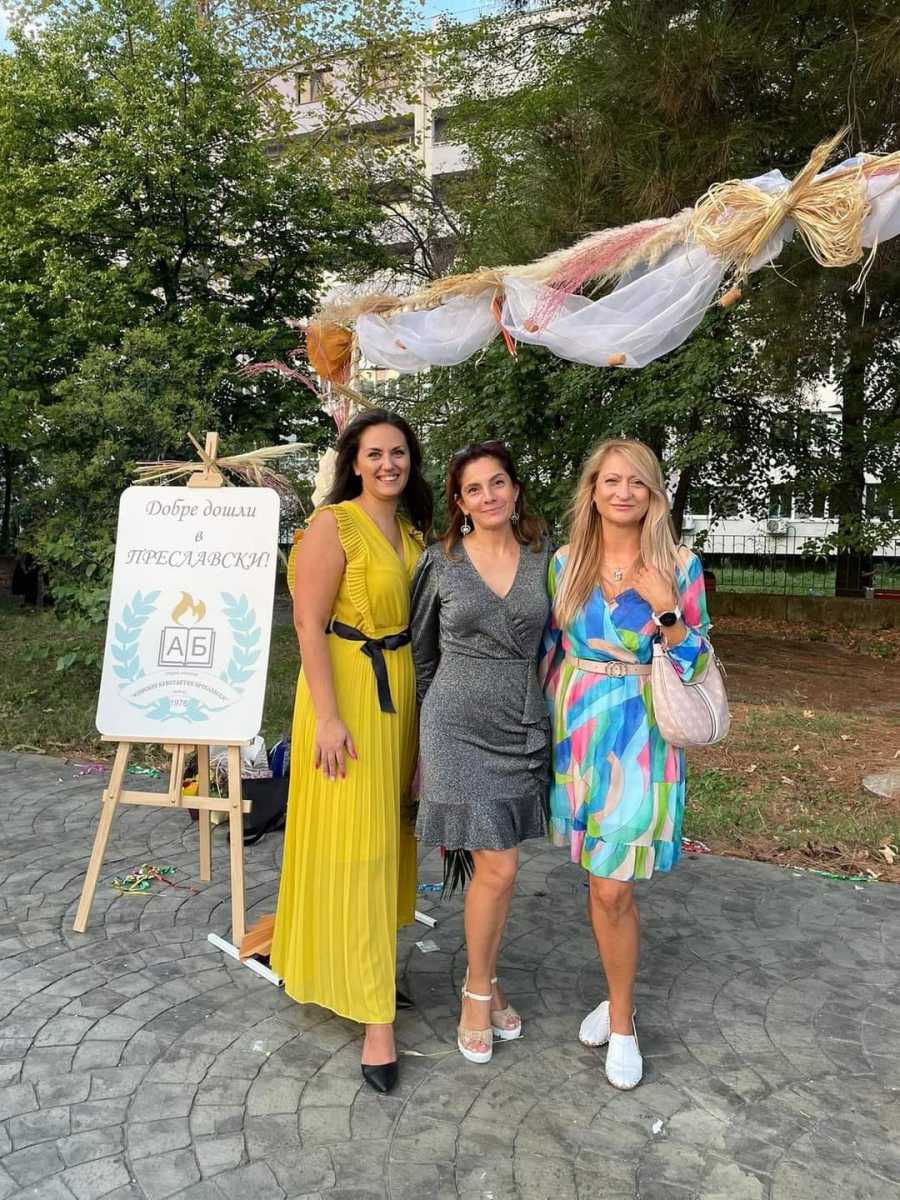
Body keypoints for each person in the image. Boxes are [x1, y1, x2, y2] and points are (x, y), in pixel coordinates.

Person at [270, 408, 433, 1095]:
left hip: (400, 693)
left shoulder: (414, 533)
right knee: (357, 846)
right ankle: (375, 1021)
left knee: (388, 843)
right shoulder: (332, 525)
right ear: (354, 463)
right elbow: (308, 623)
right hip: (345, 695)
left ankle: (367, 970)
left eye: (398, 452)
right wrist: (329, 718)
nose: (388, 463)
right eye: (375, 453)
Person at [541, 438, 711, 1090]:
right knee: (598, 881)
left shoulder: (680, 565)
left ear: (653, 494)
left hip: (642, 736)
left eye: (637, 482)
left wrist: (667, 609)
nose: (623, 492)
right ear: (592, 491)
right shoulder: (567, 564)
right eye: (611, 481)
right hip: (580, 732)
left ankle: (622, 1022)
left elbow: (697, 662)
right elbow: (551, 652)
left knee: (613, 886)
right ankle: (617, 995)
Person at [410, 441, 552, 1064]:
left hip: (519, 722)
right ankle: (476, 992)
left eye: (498, 483)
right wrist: (427, 734)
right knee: (500, 865)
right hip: (456, 726)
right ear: (460, 502)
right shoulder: (440, 561)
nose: (488, 496)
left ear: (515, 489)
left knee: (498, 866)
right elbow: (421, 653)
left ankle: (487, 981)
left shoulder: (545, 558)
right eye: (474, 488)